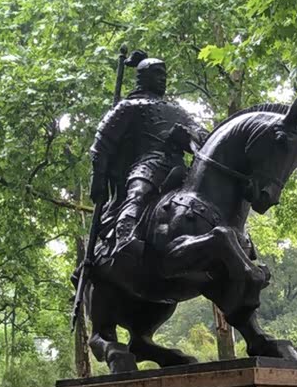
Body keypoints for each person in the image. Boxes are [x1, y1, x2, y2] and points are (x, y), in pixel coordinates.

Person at [89, 50, 208, 256]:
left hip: (180, 170)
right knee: (138, 193)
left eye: (164, 75)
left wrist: (190, 135)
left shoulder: (177, 110)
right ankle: (125, 236)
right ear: (144, 77)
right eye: (158, 74)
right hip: (146, 166)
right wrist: (98, 180)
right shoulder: (128, 106)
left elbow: (203, 135)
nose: (163, 79)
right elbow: (101, 146)